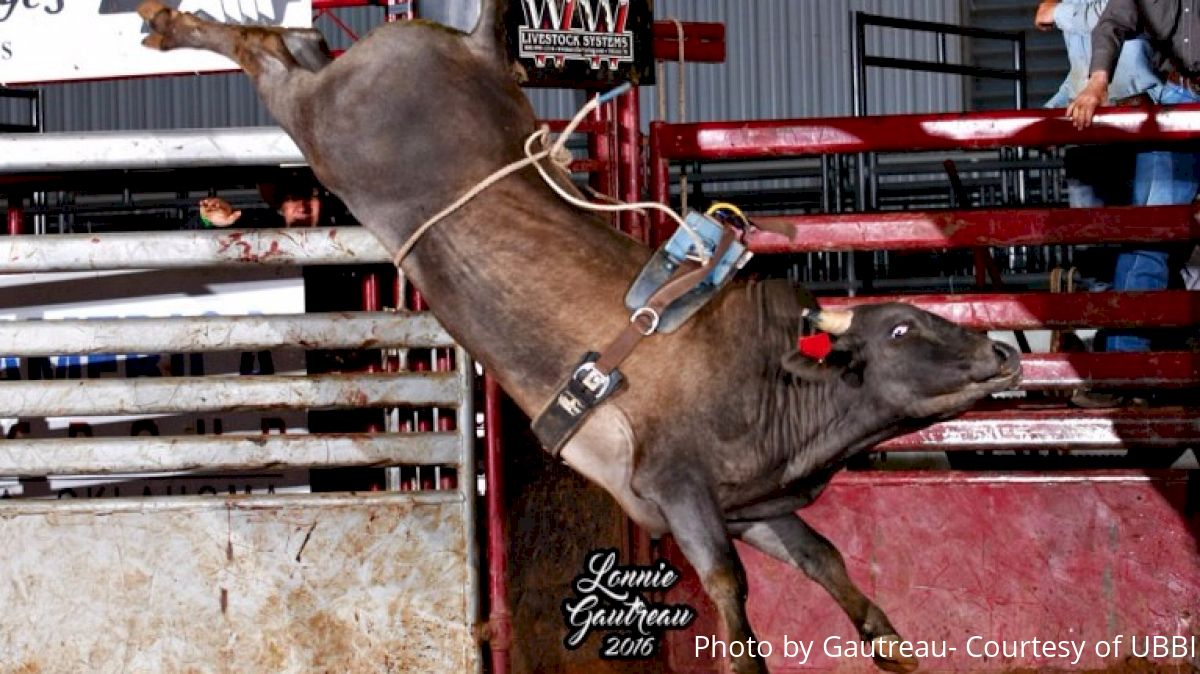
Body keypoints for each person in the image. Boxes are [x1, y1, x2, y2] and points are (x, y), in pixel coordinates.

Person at [1042, 0, 1200, 404]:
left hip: (1176, 104)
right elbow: (1110, 23)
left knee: (1147, 238)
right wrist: (1096, 84)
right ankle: (1123, 365)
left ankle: (1122, 364)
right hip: (1174, 104)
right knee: (1144, 236)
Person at [185, 172, 327, 229]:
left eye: (311, 196)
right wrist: (207, 220)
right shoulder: (258, 223)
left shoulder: (343, 226)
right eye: (292, 198)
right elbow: (179, 245)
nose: (302, 207)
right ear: (279, 206)